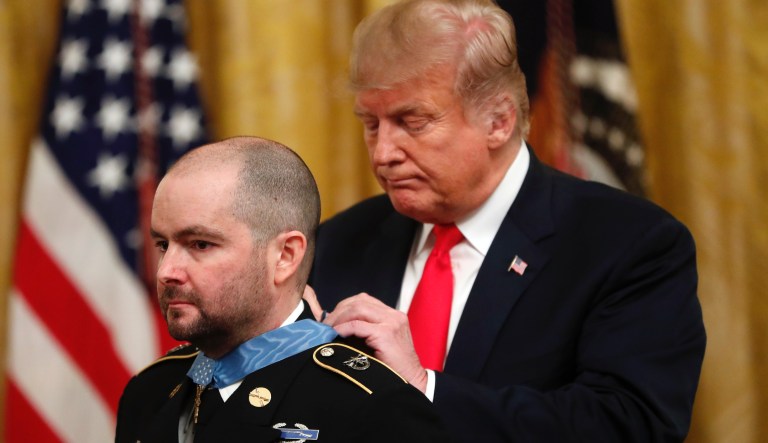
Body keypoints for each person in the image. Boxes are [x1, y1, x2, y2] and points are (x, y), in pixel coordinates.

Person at [308, 0, 706, 442]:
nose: (383, 153)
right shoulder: (339, 241)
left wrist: (425, 388)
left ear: (498, 120)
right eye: (371, 124)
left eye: (412, 121)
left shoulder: (627, 244)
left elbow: (630, 425)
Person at [115, 136, 451, 443]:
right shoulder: (150, 390)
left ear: (285, 256)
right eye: (162, 244)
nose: (167, 271)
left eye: (201, 244)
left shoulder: (374, 407)